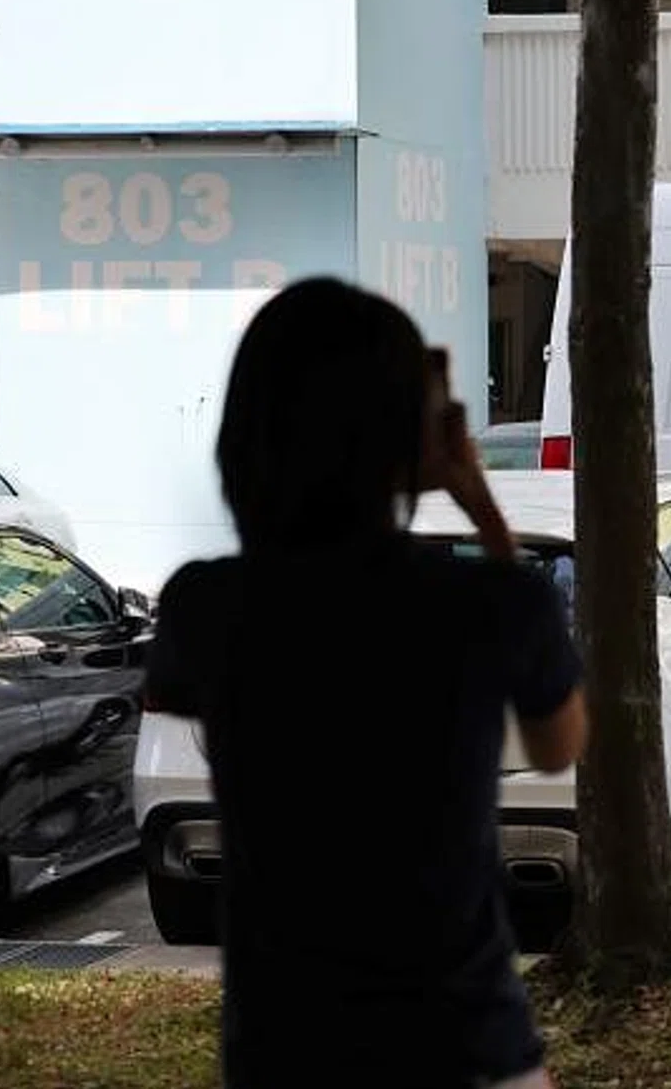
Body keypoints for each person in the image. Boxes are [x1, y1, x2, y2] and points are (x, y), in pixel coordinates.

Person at [145, 278, 589, 1089]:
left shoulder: (204, 606)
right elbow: (563, 743)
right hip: (465, 1042)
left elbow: (175, 692)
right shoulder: (490, 604)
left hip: (283, 1048)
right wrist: (474, 497)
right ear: (410, 438)